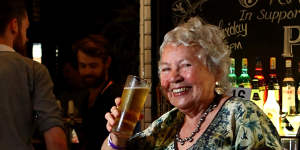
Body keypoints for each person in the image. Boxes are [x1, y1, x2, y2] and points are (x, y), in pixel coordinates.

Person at [102, 17, 282, 150]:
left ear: (215, 70)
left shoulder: (241, 114)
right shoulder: (167, 123)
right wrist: (118, 137)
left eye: (185, 65)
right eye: (165, 69)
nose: (173, 77)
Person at [0, 0, 67, 150]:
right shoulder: (32, 70)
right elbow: (55, 138)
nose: (26, 38)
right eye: (26, 30)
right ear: (14, 26)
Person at [72, 34, 123, 150]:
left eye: (93, 66)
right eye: (83, 66)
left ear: (107, 63)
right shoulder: (84, 98)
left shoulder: (115, 97)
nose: (87, 71)